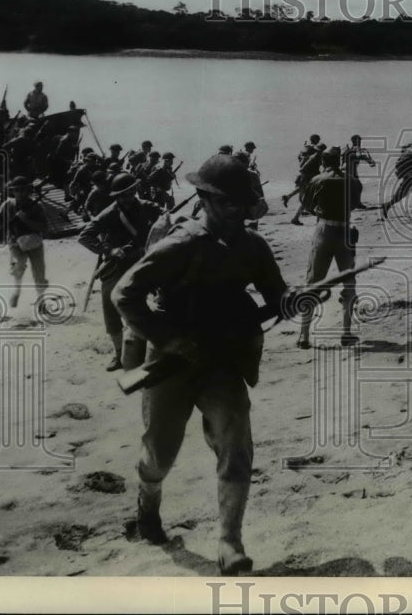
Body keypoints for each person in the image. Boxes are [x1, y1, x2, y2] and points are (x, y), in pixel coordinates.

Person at [112, 155, 289, 575]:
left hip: (224, 362)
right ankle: (148, 505)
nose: (238, 210)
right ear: (205, 198)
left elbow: (276, 294)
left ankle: (230, 541)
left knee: (236, 444)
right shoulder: (180, 244)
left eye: (243, 202)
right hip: (172, 363)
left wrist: (295, 302)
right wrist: (168, 338)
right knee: (159, 454)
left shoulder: (253, 246)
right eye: (228, 202)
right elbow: (124, 294)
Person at [78, 173, 163, 371]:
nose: (129, 197)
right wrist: (109, 250)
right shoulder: (109, 214)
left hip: (143, 261)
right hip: (118, 264)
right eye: (124, 194)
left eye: (131, 192)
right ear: (117, 196)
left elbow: (165, 217)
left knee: (158, 301)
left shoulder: (146, 207)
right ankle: (118, 355)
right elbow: (84, 236)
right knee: (110, 306)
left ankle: (147, 350)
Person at [296, 147, 359, 349]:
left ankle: (304, 336)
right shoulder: (352, 181)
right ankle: (346, 333)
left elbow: (306, 204)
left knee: (313, 281)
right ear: (339, 160)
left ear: (323, 161)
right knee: (349, 282)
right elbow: (354, 204)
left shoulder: (317, 179)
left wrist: (321, 209)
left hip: (324, 230)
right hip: (344, 231)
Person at [0, 176, 49, 309]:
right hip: (15, 242)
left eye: (24, 190)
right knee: (18, 266)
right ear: (13, 191)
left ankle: (41, 301)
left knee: (39, 272)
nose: (21, 193)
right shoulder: (8, 204)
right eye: (17, 190)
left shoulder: (37, 206)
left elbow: (44, 228)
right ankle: (16, 292)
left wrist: (26, 220)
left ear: (29, 191)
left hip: (34, 242)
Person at [284, 143, 327, 224]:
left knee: (308, 198)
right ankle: (298, 218)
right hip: (308, 179)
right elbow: (304, 169)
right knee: (312, 198)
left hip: (307, 179)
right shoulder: (316, 157)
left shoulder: (315, 156)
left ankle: (296, 216)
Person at [342, 134, 376, 209]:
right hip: (351, 171)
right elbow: (359, 156)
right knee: (358, 187)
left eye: (360, 140)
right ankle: (356, 203)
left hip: (348, 171)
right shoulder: (356, 149)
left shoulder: (349, 149)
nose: (360, 142)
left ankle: (354, 203)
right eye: (359, 140)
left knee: (354, 187)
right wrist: (369, 161)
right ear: (355, 141)